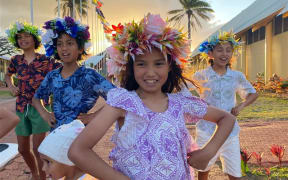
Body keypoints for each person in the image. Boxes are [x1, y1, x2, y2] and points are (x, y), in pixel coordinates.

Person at [68, 13, 236, 180]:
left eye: (158, 63)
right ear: (130, 67)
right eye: (141, 64)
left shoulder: (180, 103)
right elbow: (78, 151)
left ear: (170, 66)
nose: (150, 72)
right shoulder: (123, 104)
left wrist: (208, 151)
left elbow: (227, 118)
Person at [193, 31, 258, 180]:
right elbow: (183, 91)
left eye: (228, 50)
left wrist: (241, 106)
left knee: (235, 174)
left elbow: (253, 94)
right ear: (210, 53)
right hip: (206, 131)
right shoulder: (200, 75)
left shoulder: (236, 76)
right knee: (203, 171)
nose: (224, 54)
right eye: (220, 49)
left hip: (230, 132)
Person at [33, 17, 115, 130]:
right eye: (60, 44)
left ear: (81, 48)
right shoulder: (52, 76)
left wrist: (93, 116)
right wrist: (45, 114)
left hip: (81, 137)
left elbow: (118, 98)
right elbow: (36, 98)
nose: (64, 48)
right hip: (55, 136)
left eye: (70, 43)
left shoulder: (89, 75)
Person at [5, 21, 61, 180]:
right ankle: (34, 171)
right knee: (22, 149)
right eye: (20, 38)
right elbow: (7, 75)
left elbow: (60, 73)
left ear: (34, 39)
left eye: (27, 36)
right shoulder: (15, 60)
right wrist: (11, 85)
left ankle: (41, 176)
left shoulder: (46, 60)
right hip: (21, 107)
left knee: (37, 148)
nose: (23, 40)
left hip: (40, 108)